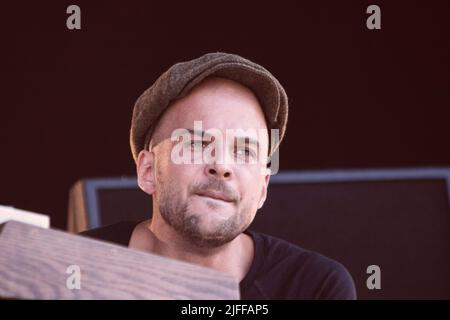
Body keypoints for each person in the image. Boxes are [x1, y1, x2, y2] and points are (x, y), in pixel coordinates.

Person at [80, 52, 356, 299]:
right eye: (197, 144)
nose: (222, 165)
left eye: (245, 151)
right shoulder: (74, 269)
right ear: (148, 171)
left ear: (263, 187)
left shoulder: (314, 287)